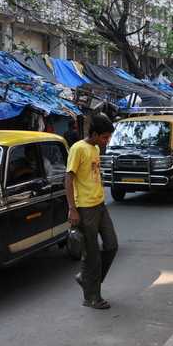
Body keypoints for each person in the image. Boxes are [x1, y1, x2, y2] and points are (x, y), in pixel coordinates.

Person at [66, 113, 118, 310]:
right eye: (104, 137)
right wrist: (72, 209)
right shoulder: (78, 148)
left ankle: (86, 278)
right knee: (92, 255)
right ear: (94, 133)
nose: (107, 141)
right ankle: (91, 297)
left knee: (112, 245)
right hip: (85, 208)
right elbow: (68, 179)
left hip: (100, 204)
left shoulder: (95, 148)